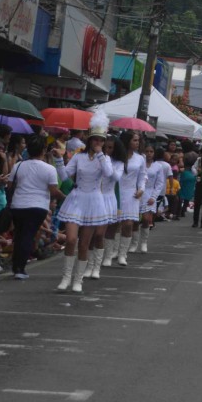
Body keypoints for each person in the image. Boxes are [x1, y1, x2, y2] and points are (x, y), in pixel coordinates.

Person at [52, 112, 119, 293]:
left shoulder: (105, 160)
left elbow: (108, 174)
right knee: (72, 239)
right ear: (89, 140)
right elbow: (65, 176)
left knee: (84, 243)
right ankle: (66, 277)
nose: (98, 143)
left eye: (101, 140)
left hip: (94, 201)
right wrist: (58, 159)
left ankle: (78, 279)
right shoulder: (78, 157)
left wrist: (99, 155)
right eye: (95, 139)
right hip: (77, 198)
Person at [7, 138, 64, 280]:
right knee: (28, 235)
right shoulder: (49, 169)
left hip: (18, 205)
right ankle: (20, 268)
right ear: (44, 151)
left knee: (19, 235)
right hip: (38, 206)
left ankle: (16, 265)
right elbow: (53, 190)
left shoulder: (18, 166)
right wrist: (67, 197)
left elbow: (9, 186)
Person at [106, 132, 146, 266]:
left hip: (131, 193)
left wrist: (141, 189)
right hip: (116, 192)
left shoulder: (140, 158)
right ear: (127, 141)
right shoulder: (115, 158)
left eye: (138, 140)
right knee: (113, 225)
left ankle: (123, 254)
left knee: (128, 224)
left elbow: (142, 176)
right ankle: (111, 252)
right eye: (135, 140)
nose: (137, 143)